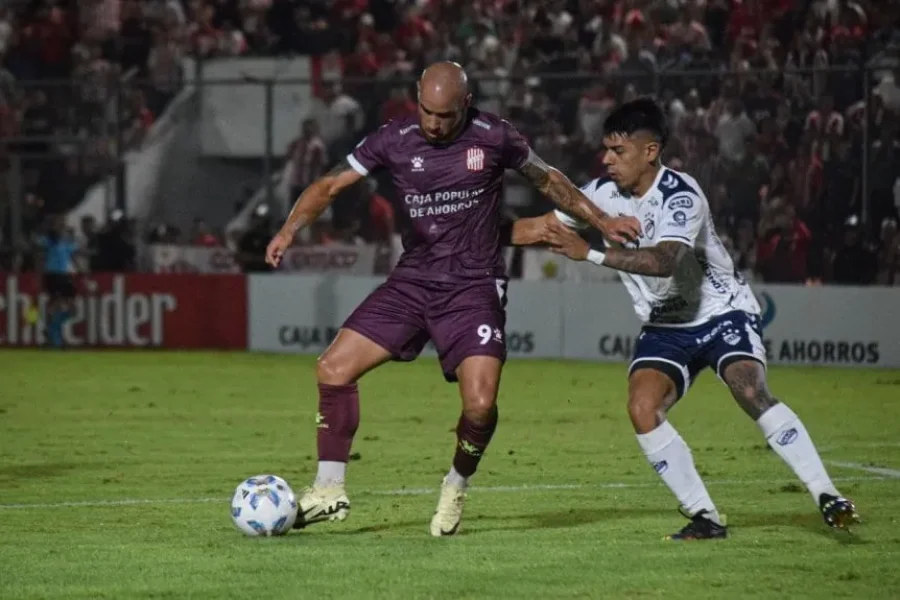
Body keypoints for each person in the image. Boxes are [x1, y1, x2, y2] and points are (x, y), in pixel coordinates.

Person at [265, 62, 640, 537]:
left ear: (466, 104)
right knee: (332, 369)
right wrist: (288, 230)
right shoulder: (394, 138)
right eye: (427, 111)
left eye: (445, 115)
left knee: (480, 405)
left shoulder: (494, 136)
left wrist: (603, 221)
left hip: (473, 285)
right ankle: (328, 489)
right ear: (416, 98)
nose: (434, 124)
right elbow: (330, 184)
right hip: (413, 280)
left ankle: (456, 484)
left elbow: (549, 180)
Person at [520, 98, 859, 539]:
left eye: (618, 151)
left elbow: (664, 261)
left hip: (720, 310)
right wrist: (465, 232)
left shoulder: (681, 195)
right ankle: (706, 516)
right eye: (606, 149)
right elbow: (543, 226)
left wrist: (592, 253)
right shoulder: (602, 194)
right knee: (642, 408)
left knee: (749, 389)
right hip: (666, 324)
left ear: (650, 151)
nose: (607, 160)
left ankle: (827, 494)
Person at [35, 215, 80, 348]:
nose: (61, 227)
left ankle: (51, 330)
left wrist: (80, 270)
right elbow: (40, 255)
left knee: (72, 309)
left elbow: (74, 256)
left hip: (64, 275)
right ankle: (53, 336)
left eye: (62, 224)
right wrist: (39, 274)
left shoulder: (67, 241)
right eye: (58, 225)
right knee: (55, 304)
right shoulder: (48, 241)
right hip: (53, 275)